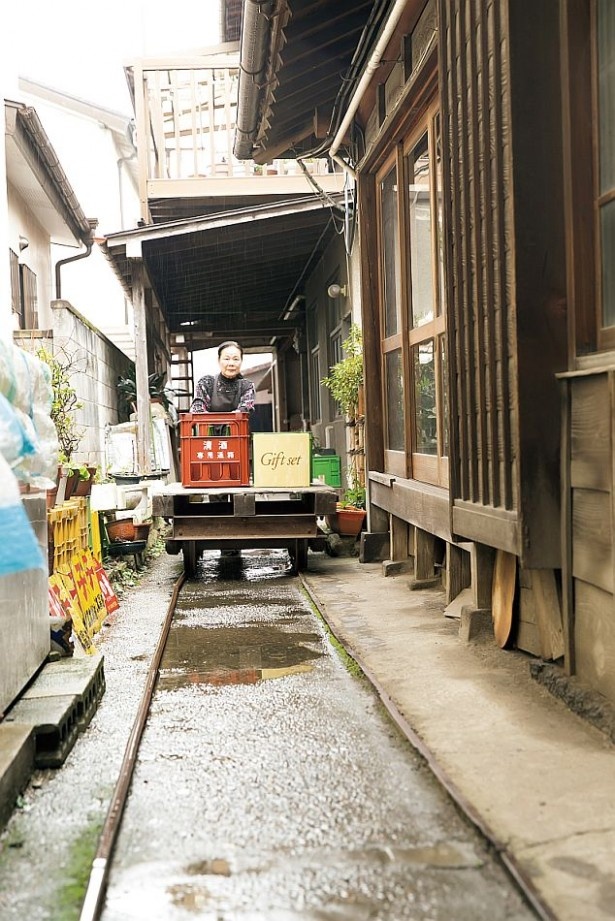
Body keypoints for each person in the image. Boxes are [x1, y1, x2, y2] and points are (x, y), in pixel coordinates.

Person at [190, 341, 255, 416]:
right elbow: (197, 408)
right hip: (208, 427)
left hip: (237, 427)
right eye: (226, 359)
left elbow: (245, 409)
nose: (231, 364)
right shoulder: (206, 383)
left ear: (241, 361)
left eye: (236, 359)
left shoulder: (247, 386)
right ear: (219, 360)